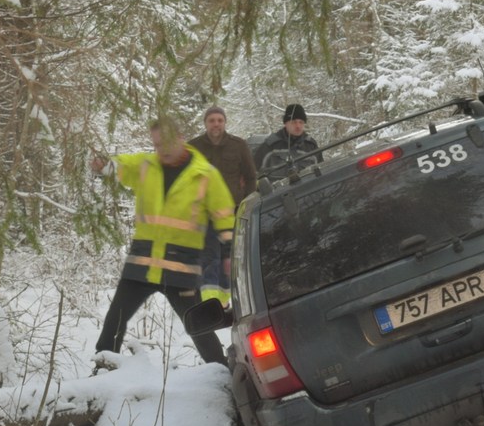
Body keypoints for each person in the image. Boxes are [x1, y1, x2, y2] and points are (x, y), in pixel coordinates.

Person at [90, 117, 236, 365]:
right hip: (142, 264)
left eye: (166, 143)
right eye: (157, 144)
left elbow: (225, 219)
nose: (162, 150)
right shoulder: (146, 165)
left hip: (181, 269)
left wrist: (228, 255)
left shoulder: (205, 175)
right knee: (115, 319)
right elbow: (119, 166)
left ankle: (220, 372)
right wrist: (102, 164)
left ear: (180, 138)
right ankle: (103, 369)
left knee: (198, 327)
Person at [188, 106, 257, 303]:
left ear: (225, 122)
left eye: (219, 120)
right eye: (212, 120)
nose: (216, 124)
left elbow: (251, 177)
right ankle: (212, 303)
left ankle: (234, 301)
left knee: (233, 259)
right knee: (209, 260)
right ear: (205, 123)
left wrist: (246, 206)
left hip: (232, 213)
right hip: (205, 215)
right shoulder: (193, 148)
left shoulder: (238, 145)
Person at [253, 103, 323, 173]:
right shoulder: (270, 147)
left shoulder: (311, 146)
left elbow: (322, 170)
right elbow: (254, 172)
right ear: (286, 123)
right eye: (294, 122)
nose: (298, 126)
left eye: (301, 122)